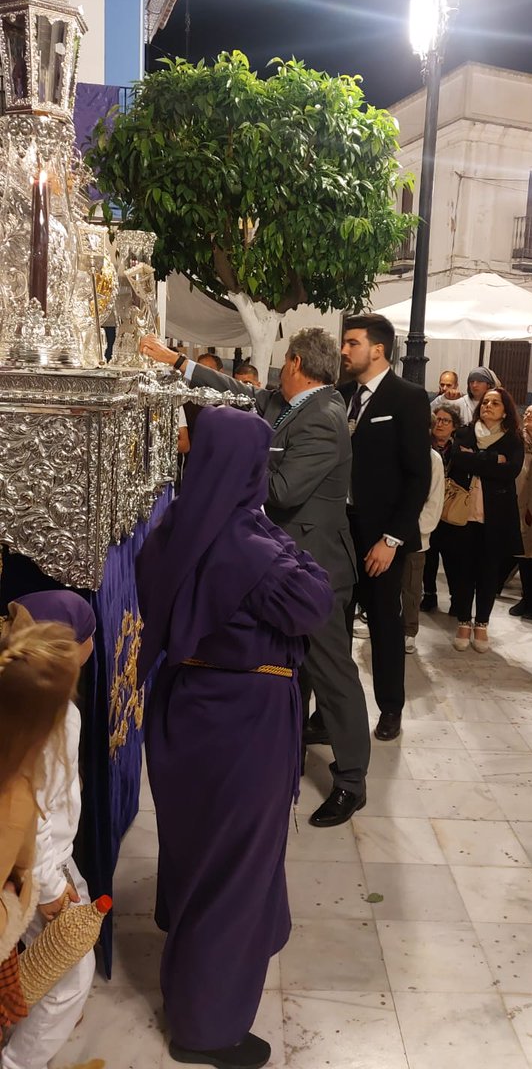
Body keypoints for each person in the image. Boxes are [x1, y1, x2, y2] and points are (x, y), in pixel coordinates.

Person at [135, 406, 334, 1069]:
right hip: (241, 721)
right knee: (234, 870)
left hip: (188, 709)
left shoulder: (174, 528)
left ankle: (193, 989)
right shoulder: (249, 544)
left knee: (199, 856)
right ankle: (206, 1029)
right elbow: (314, 600)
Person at [140, 328, 371, 830]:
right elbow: (238, 393)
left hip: (317, 564)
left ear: (294, 362)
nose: (271, 378)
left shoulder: (326, 418)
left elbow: (285, 489)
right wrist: (178, 363)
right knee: (300, 669)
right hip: (281, 556)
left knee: (332, 673)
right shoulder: (288, 402)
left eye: (280, 365)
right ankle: (288, 749)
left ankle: (352, 778)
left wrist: (223, 465)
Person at [1, 591, 96, 1069]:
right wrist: (55, 892)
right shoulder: (57, 720)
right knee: (73, 974)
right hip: (37, 873)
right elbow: (33, 817)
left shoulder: (16, 703)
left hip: (40, 867)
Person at [340, 313, 431, 741]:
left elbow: (418, 477)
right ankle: (332, 709)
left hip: (382, 537)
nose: (344, 351)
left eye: (352, 343)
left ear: (377, 349)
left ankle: (390, 707)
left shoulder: (408, 398)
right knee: (334, 623)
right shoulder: (339, 396)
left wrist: (391, 539)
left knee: (384, 623)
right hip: (339, 531)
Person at [449, 387, 524, 653]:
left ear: (505, 409)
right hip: (463, 515)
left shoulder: (514, 439)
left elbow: (511, 471)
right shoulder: (465, 433)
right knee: (462, 571)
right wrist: (494, 460)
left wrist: (478, 458)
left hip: (496, 517)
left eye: (495, 402)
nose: (488, 406)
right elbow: (458, 460)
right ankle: (463, 621)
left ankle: (482, 623)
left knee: (489, 572)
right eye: (485, 402)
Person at [402, 448, 445, 654]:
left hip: (415, 533)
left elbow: (434, 502)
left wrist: (415, 530)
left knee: (411, 584)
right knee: (382, 583)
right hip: (384, 531)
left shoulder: (431, 458)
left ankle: (409, 630)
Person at [421, 404, 461, 613]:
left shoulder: (460, 449)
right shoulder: (424, 447)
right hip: (429, 507)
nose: (441, 424)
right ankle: (429, 594)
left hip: (451, 510)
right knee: (429, 556)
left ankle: (456, 598)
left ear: (454, 426)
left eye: (446, 420)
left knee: (453, 557)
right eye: (438, 419)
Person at [511, 403, 532, 620]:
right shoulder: (518, 441)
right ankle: (526, 597)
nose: (529, 414)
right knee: (523, 553)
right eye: (528, 411)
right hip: (520, 503)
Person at [432, 366, 500, 427]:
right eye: (472, 381)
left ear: (488, 384)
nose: (474, 385)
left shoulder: (497, 404)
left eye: (479, 381)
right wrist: (444, 397)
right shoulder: (462, 402)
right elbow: (431, 410)